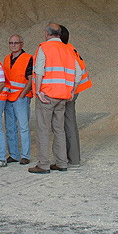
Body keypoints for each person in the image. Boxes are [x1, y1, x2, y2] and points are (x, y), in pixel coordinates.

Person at [29, 23, 81, 174]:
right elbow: (78, 73)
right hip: (63, 96)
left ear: (47, 34)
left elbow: (39, 70)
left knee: (43, 130)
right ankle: (61, 162)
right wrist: (72, 91)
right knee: (59, 130)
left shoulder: (44, 48)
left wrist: (38, 91)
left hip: (47, 95)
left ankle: (43, 164)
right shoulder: (68, 49)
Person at [59, 25, 92, 168]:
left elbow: (76, 73)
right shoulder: (70, 48)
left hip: (69, 90)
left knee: (68, 122)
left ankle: (73, 158)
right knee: (69, 122)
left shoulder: (65, 51)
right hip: (73, 89)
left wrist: (71, 92)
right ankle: (72, 157)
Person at [2, 34, 33, 165]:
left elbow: (31, 79)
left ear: (22, 44)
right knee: (10, 127)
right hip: (8, 97)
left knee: (23, 127)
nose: (13, 45)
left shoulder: (28, 58)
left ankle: (25, 155)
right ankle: (14, 155)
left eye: (16, 43)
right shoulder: (6, 59)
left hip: (21, 98)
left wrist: (22, 94)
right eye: (11, 43)